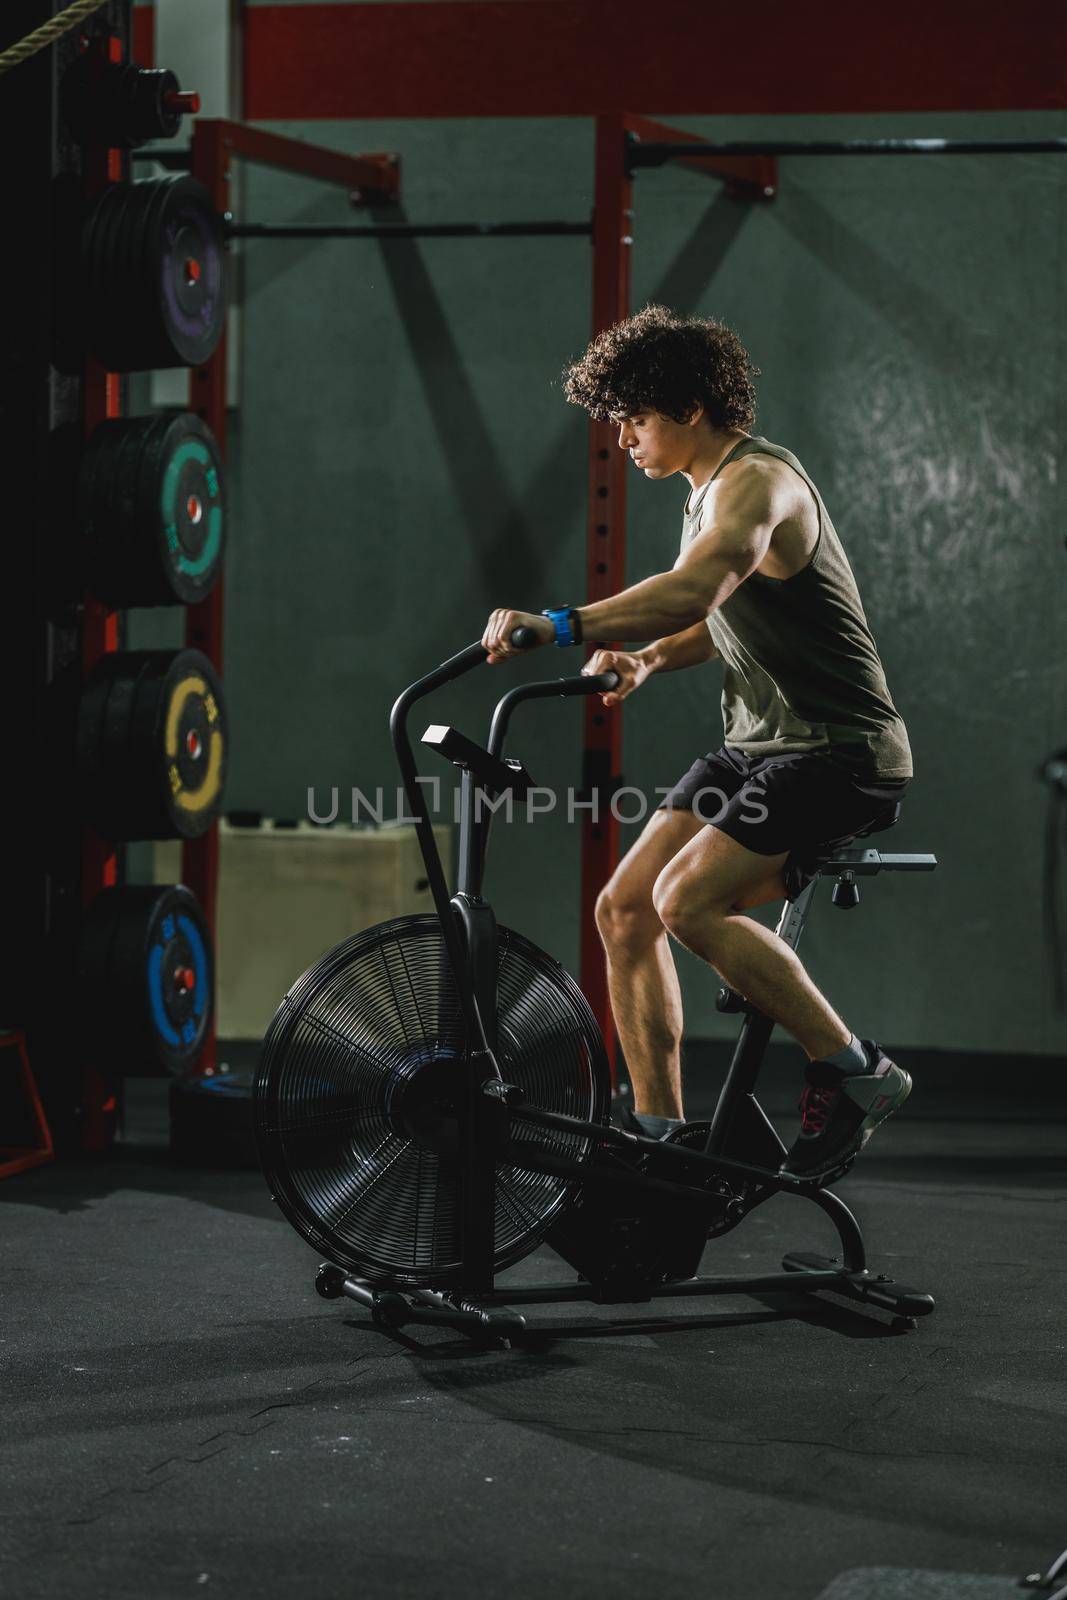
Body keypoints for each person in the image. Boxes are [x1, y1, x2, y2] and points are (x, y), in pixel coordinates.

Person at [480, 304, 913, 1181]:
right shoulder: (703, 492)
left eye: (634, 420)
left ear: (686, 406)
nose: (624, 440)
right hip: (759, 748)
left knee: (687, 903)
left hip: (839, 752)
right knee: (624, 909)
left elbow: (696, 588)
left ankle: (857, 1072)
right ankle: (660, 1135)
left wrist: (562, 622)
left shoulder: (760, 483)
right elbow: (716, 620)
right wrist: (642, 660)